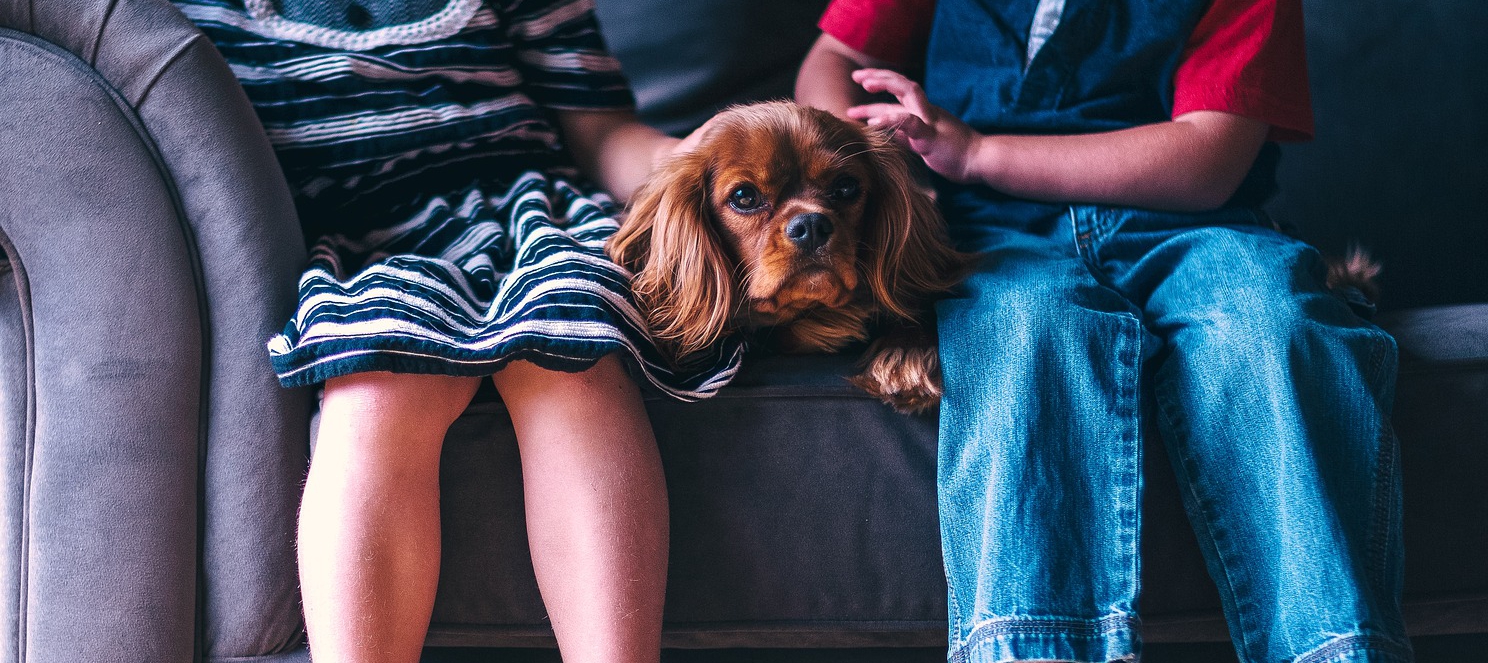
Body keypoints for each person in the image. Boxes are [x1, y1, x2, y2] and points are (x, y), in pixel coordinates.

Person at [796, 1, 1411, 662]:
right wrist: (868, 180)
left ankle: (1335, 646)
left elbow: (1209, 157)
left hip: (1194, 225)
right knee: (1029, 329)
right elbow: (835, 59)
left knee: (1272, 328)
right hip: (996, 239)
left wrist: (979, 153)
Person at [172, 0, 735, 660]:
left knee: (570, 349)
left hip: (532, 214)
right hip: (369, 241)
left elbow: (604, 132)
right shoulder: (203, 14)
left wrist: (695, 156)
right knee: (375, 388)